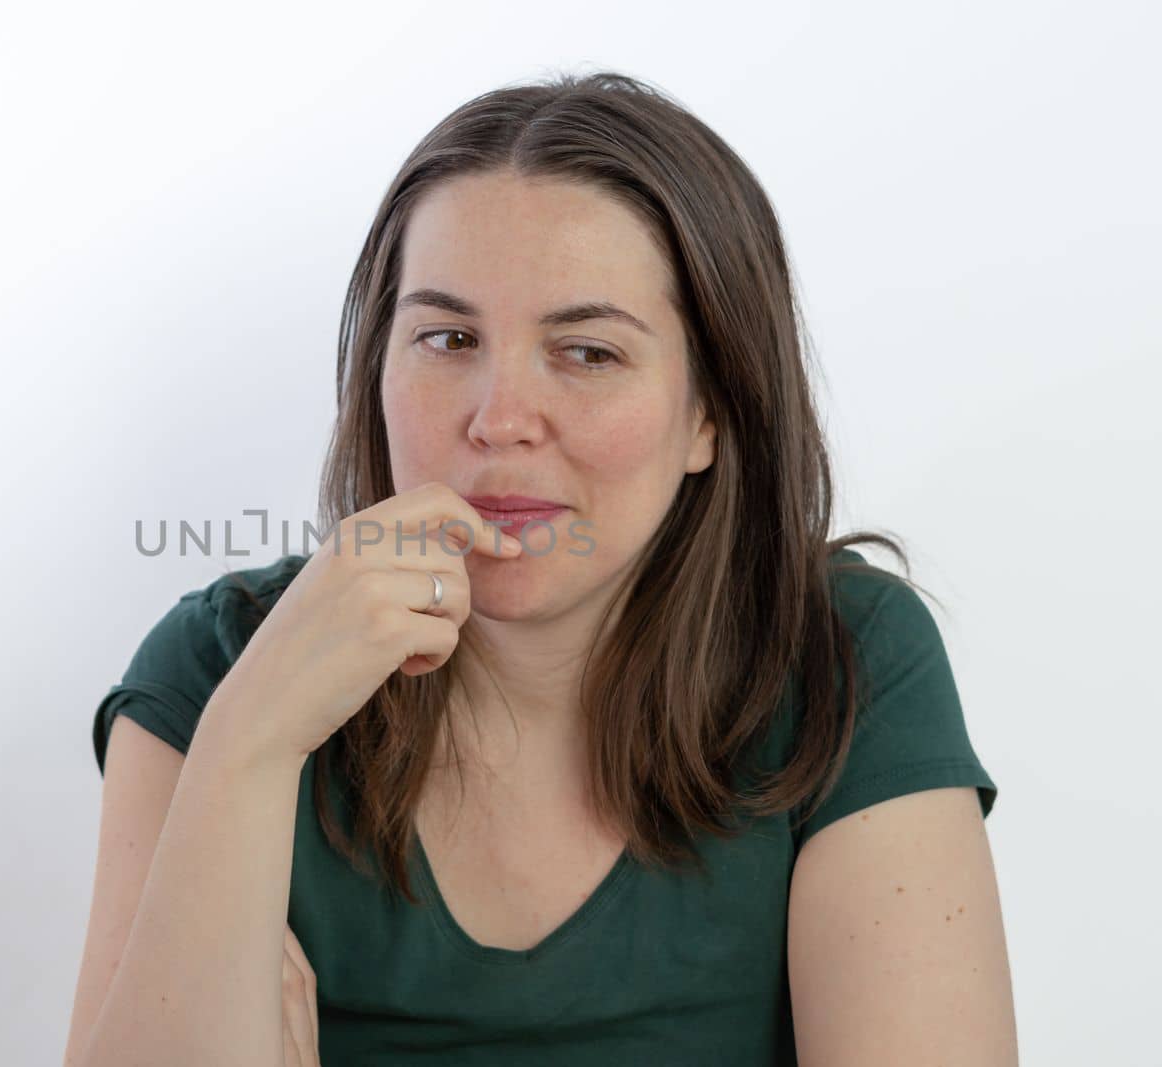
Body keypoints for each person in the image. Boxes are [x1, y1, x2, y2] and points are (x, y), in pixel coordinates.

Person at [65, 70, 1017, 1066]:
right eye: (447, 338)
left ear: (709, 411)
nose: (499, 417)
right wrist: (250, 740)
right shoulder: (219, 665)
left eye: (588, 351)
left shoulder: (843, 658)